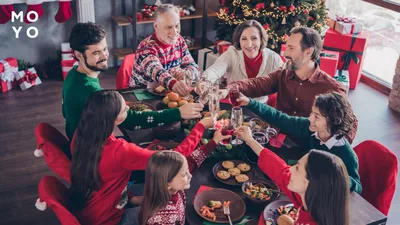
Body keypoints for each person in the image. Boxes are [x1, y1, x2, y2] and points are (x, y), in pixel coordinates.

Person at [68, 90, 227, 225]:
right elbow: (174, 158)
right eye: (125, 110)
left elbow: (107, 178)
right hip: (109, 218)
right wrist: (200, 127)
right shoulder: (121, 151)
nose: (129, 111)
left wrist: (131, 198)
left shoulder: (82, 133)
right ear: (112, 119)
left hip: (90, 206)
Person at [62, 22, 203, 141]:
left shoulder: (73, 75)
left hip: (85, 141)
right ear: (79, 55)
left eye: (104, 49)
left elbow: (65, 112)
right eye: (96, 53)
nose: (104, 56)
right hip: (92, 152)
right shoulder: (90, 90)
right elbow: (130, 121)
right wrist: (178, 113)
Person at [224, 26, 357, 143]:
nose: (285, 53)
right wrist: (228, 89)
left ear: (309, 52)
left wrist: (332, 146)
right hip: (276, 139)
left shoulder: (332, 88)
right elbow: (256, 84)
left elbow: (350, 124)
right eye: (286, 47)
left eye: (291, 48)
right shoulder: (283, 74)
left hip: (307, 148)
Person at [237, 92, 362, 193]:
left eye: (316, 116)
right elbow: (280, 118)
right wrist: (250, 102)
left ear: (333, 121)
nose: (310, 118)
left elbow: (357, 186)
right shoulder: (309, 127)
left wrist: (335, 176)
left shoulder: (347, 154)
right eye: (312, 113)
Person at [236, 125, 350, 225]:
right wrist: (249, 139)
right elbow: (279, 168)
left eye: (297, 168)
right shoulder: (312, 199)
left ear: (309, 183)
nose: (290, 169)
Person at [137, 129, 229, 225]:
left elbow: (192, 161)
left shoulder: (169, 186)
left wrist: (214, 142)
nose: (190, 175)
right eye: (184, 174)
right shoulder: (163, 219)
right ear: (167, 183)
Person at [203, 19, 283, 103]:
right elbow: (215, 70)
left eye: (254, 38)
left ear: (261, 39)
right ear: (239, 41)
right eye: (244, 39)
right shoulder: (231, 53)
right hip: (235, 105)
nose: (249, 44)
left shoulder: (273, 58)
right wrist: (205, 81)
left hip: (260, 107)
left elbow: (285, 79)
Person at [130, 4, 198, 97]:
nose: (175, 32)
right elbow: (157, 71)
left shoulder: (179, 41)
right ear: (156, 26)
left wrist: (186, 74)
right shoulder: (146, 47)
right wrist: (173, 83)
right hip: (142, 96)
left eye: (177, 26)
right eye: (168, 27)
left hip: (169, 94)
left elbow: (192, 66)